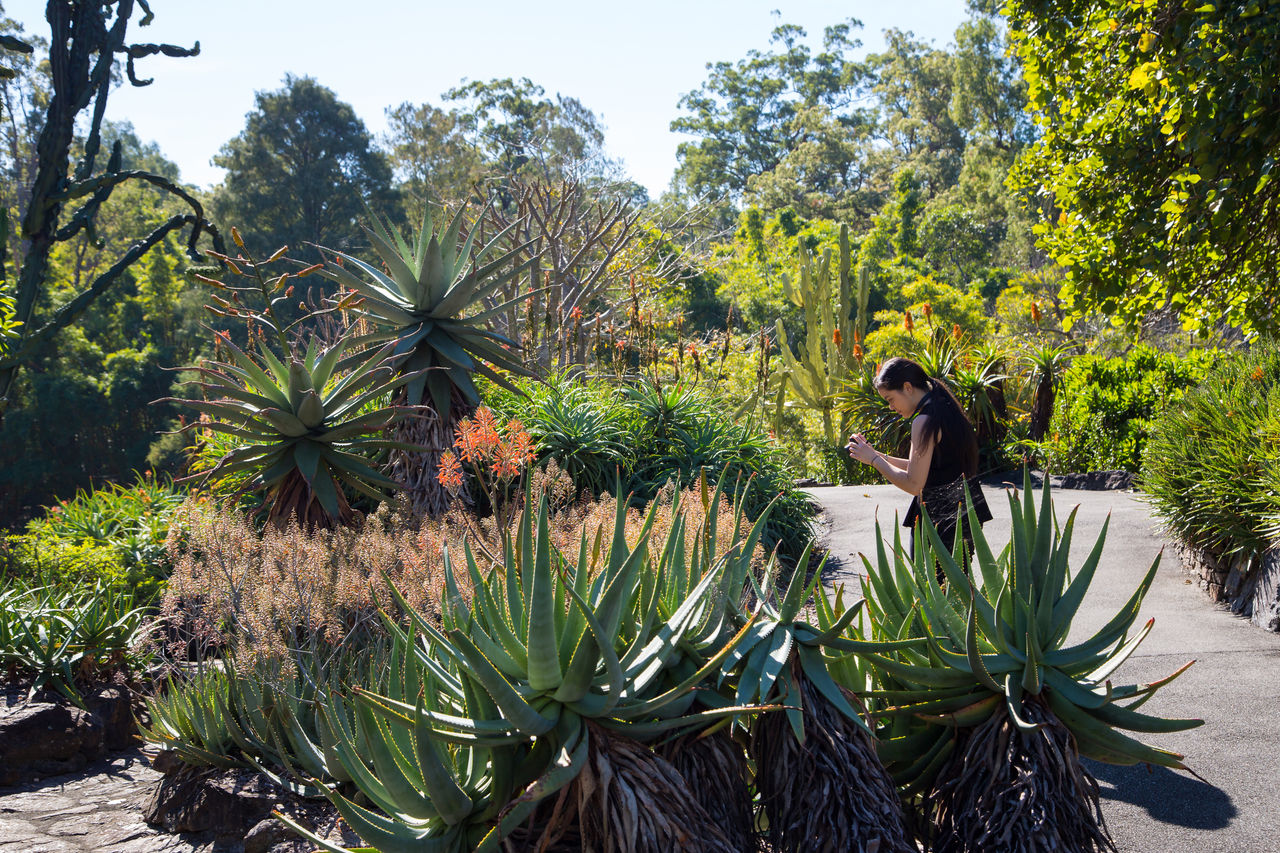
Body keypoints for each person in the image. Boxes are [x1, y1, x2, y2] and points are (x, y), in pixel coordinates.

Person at [845, 356, 992, 571]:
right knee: (959, 590)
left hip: (939, 520)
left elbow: (914, 483)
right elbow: (933, 468)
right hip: (964, 513)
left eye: (890, 399)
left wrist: (874, 460)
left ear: (907, 387)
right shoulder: (946, 408)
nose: (891, 407)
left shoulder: (923, 421)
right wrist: (876, 455)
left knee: (932, 594)